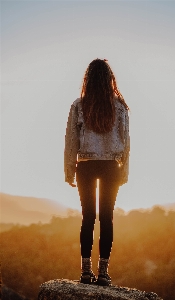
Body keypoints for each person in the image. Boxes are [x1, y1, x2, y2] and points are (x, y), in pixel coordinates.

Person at [64, 58, 130, 286]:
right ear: (109, 79)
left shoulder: (78, 105)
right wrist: (125, 172)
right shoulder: (119, 106)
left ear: (88, 79)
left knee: (88, 217)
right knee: (107, 218)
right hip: (111, 165)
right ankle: (103, 273)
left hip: (86, 165)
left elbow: (71, 141)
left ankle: (85, 272)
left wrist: (69, 171)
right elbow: (126, 141)